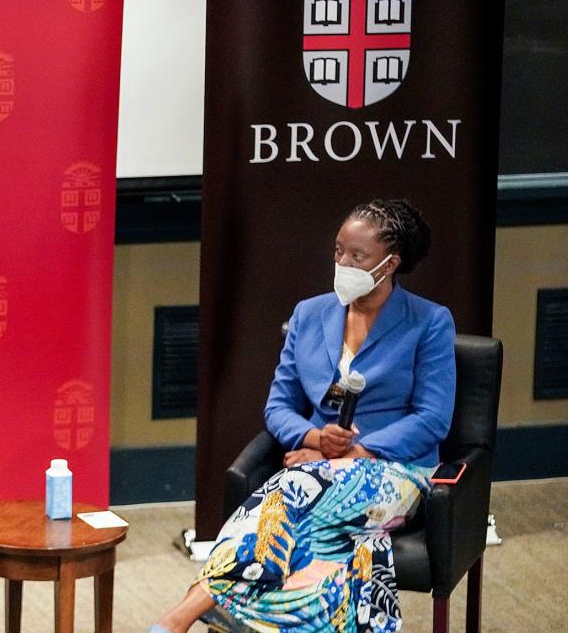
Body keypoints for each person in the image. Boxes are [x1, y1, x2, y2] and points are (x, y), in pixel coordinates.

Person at [152, 199, 456, 633]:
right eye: (338, 251)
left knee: (288, 490)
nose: (342, 263)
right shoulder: (309, 315)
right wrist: (315, 441)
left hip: (398, 470)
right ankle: (286, 619)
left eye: (357, 256)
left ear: (390, 264)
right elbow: (277, 408)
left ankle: (182, 614)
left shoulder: (428, 322)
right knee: (321, 536)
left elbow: (432, 419)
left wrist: (354, 452)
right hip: (318, 467)